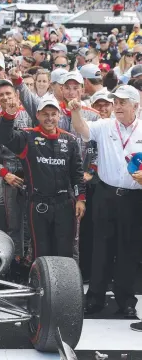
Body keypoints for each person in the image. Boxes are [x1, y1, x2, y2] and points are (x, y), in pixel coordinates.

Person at [69, 85, 142, 318]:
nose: (117, 106)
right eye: (116, 102)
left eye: (122, 102)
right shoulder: (105, 125)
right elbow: (82, 130)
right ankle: (95, 299)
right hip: (106, 194)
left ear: (136, 106)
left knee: (128, 250)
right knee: (100, 248)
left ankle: (126, 301)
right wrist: (76, 112)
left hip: (134, 198)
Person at [0, 95, 86, 259]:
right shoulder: (27, 137)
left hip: (65, 204)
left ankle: (65, 284)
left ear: (59, 116)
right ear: (37, 115)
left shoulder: (70, 140)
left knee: (65, 250)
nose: (50, 118)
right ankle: (41, 284)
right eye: (45, 114)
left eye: (53, 114)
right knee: (41, 250)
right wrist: (9, 116)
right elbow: (5, 138)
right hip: (38, 204)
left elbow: (77, 173)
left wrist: (80, 198)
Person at [0, 80, 32, 259]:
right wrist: (4, 173)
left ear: (16, 96)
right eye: (1, 95)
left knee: (29, 217)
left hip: (31, 171)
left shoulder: (30, 116)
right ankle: (10, 254)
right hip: (8, 173)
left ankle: (29, 257)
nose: (5, 97)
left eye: (8, 94)